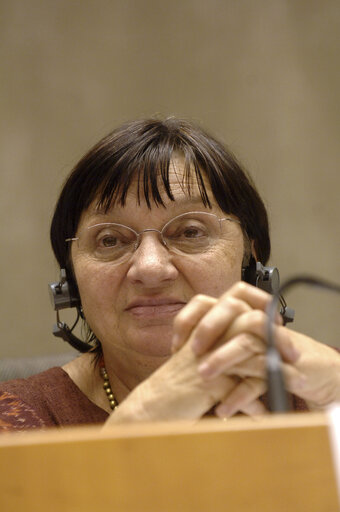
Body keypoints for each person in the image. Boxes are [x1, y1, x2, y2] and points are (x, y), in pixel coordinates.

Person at [0, 117, 339, 431]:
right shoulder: (15, 418)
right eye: (110, 240)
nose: (150, 268)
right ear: (69, 281)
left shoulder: (326, 382)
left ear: (251, 259)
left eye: (190, 232)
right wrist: (142, 418)